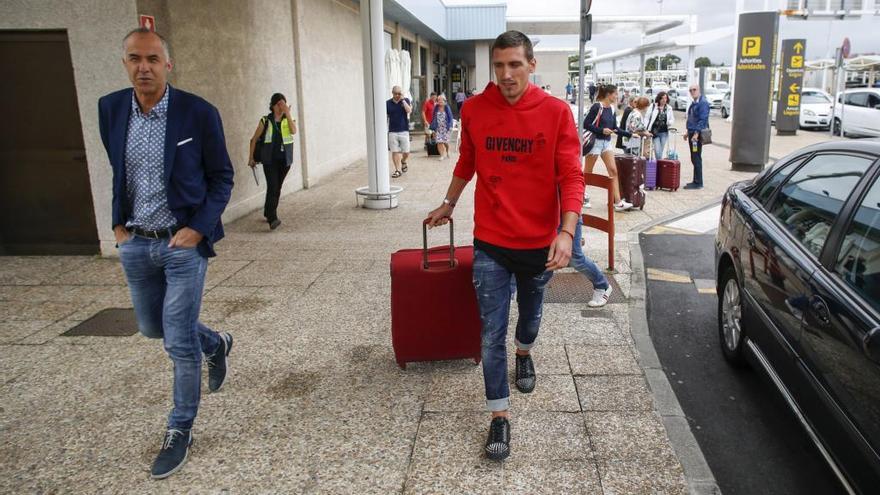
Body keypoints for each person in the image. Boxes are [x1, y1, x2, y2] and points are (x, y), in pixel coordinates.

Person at [426, 30, 583, 462]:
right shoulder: (476, 109)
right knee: (490, 332)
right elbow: (468, 161)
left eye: (515, 65)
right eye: (499, 66)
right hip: (491, 241)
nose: (506, 74)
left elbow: (571, 176)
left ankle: (526, 351)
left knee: (530, 316)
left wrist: (566, 233)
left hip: (539, 243)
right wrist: (448, 203)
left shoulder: (555, 113)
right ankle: (499, 417)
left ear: (532, 65)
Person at [98, 28, 234, 480]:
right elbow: (120, 171)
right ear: (124, 63)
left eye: (153, 59)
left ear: (167, 64)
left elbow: (221, 178)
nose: (144, 67)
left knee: (178, 342)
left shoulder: (197, 113)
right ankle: (217, 342)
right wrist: (119, 228)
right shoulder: (111, 109)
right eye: (135, 58)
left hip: (182, 244)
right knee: (153, 327)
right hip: (136, 241)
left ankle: (180, 429)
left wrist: (197, 229)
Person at [248, 93, 297, 230]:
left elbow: (294, 131)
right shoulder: (265, 120)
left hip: (285, 160)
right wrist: (251, 158)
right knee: (273, 187)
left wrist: (287, 114)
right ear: (273, 106)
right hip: (269, 161)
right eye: (279, 104)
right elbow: (253, 140)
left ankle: (267, 211)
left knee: (277, 187)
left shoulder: (288, 119)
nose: (281, 107)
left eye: (284, 104)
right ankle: (272, 218)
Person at [583, 84, 633, 212]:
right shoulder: (596, 107)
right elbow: (586, 124)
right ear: (608, 94)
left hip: (606, 143)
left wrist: (631, 134)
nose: (617, 96)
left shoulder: (611, 108)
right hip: (595, 143)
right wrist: (601, 130)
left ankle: (617, 202)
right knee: (588, 172)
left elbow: (614, 128)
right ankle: (580, 196)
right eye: (615, 94)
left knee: (613, 171)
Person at [684, 84, 710, 189]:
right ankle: (696, 180)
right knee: (694, 157)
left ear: (699, 90)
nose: (692, 92)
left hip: (696, 135)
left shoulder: (702, 103)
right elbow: (691, 118)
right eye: (690, 90)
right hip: (692, 132)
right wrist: (687, 132)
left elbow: (703, 120)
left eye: (694, 90)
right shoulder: (695, 103)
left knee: (696, 157)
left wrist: (696, 133)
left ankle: (698, 182)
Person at [386, 85, 412, 178]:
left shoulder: (406, 101)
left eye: (399, 93)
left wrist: (403, 100)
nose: (397, 95)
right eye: (395, 93)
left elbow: (409, 111)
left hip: (404, 130)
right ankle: (397, 170)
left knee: (406, 151)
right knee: (395, 151)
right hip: (392, 131)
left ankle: (403, 161)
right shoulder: (387, 103)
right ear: (392, 93)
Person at [646, 91, 675, 159]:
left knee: (660, 151)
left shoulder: (668, 108)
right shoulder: (653, 106)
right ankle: (658, 165)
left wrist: (669, 122)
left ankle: (658, 166)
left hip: (664, 132)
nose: (664, 100)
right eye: (662, 98)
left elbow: (672, 119)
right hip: (654, 132)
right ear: (659, 99)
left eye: (665, 98)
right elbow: (647, 117)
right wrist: (646, 128)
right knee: (657, 151)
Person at [430, 94, 454, 160]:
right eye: (438, 100)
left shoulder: (447, 107)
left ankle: (447, 150)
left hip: (446, 128)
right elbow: (433, 117)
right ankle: (442, 155)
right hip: (438, 128)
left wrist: (450, 126)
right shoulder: (436, 107)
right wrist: (433, 127)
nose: (440, 101)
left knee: (445, 142)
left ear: (444, 101)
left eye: (441, 100)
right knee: (439, 141)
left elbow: (450, 117)